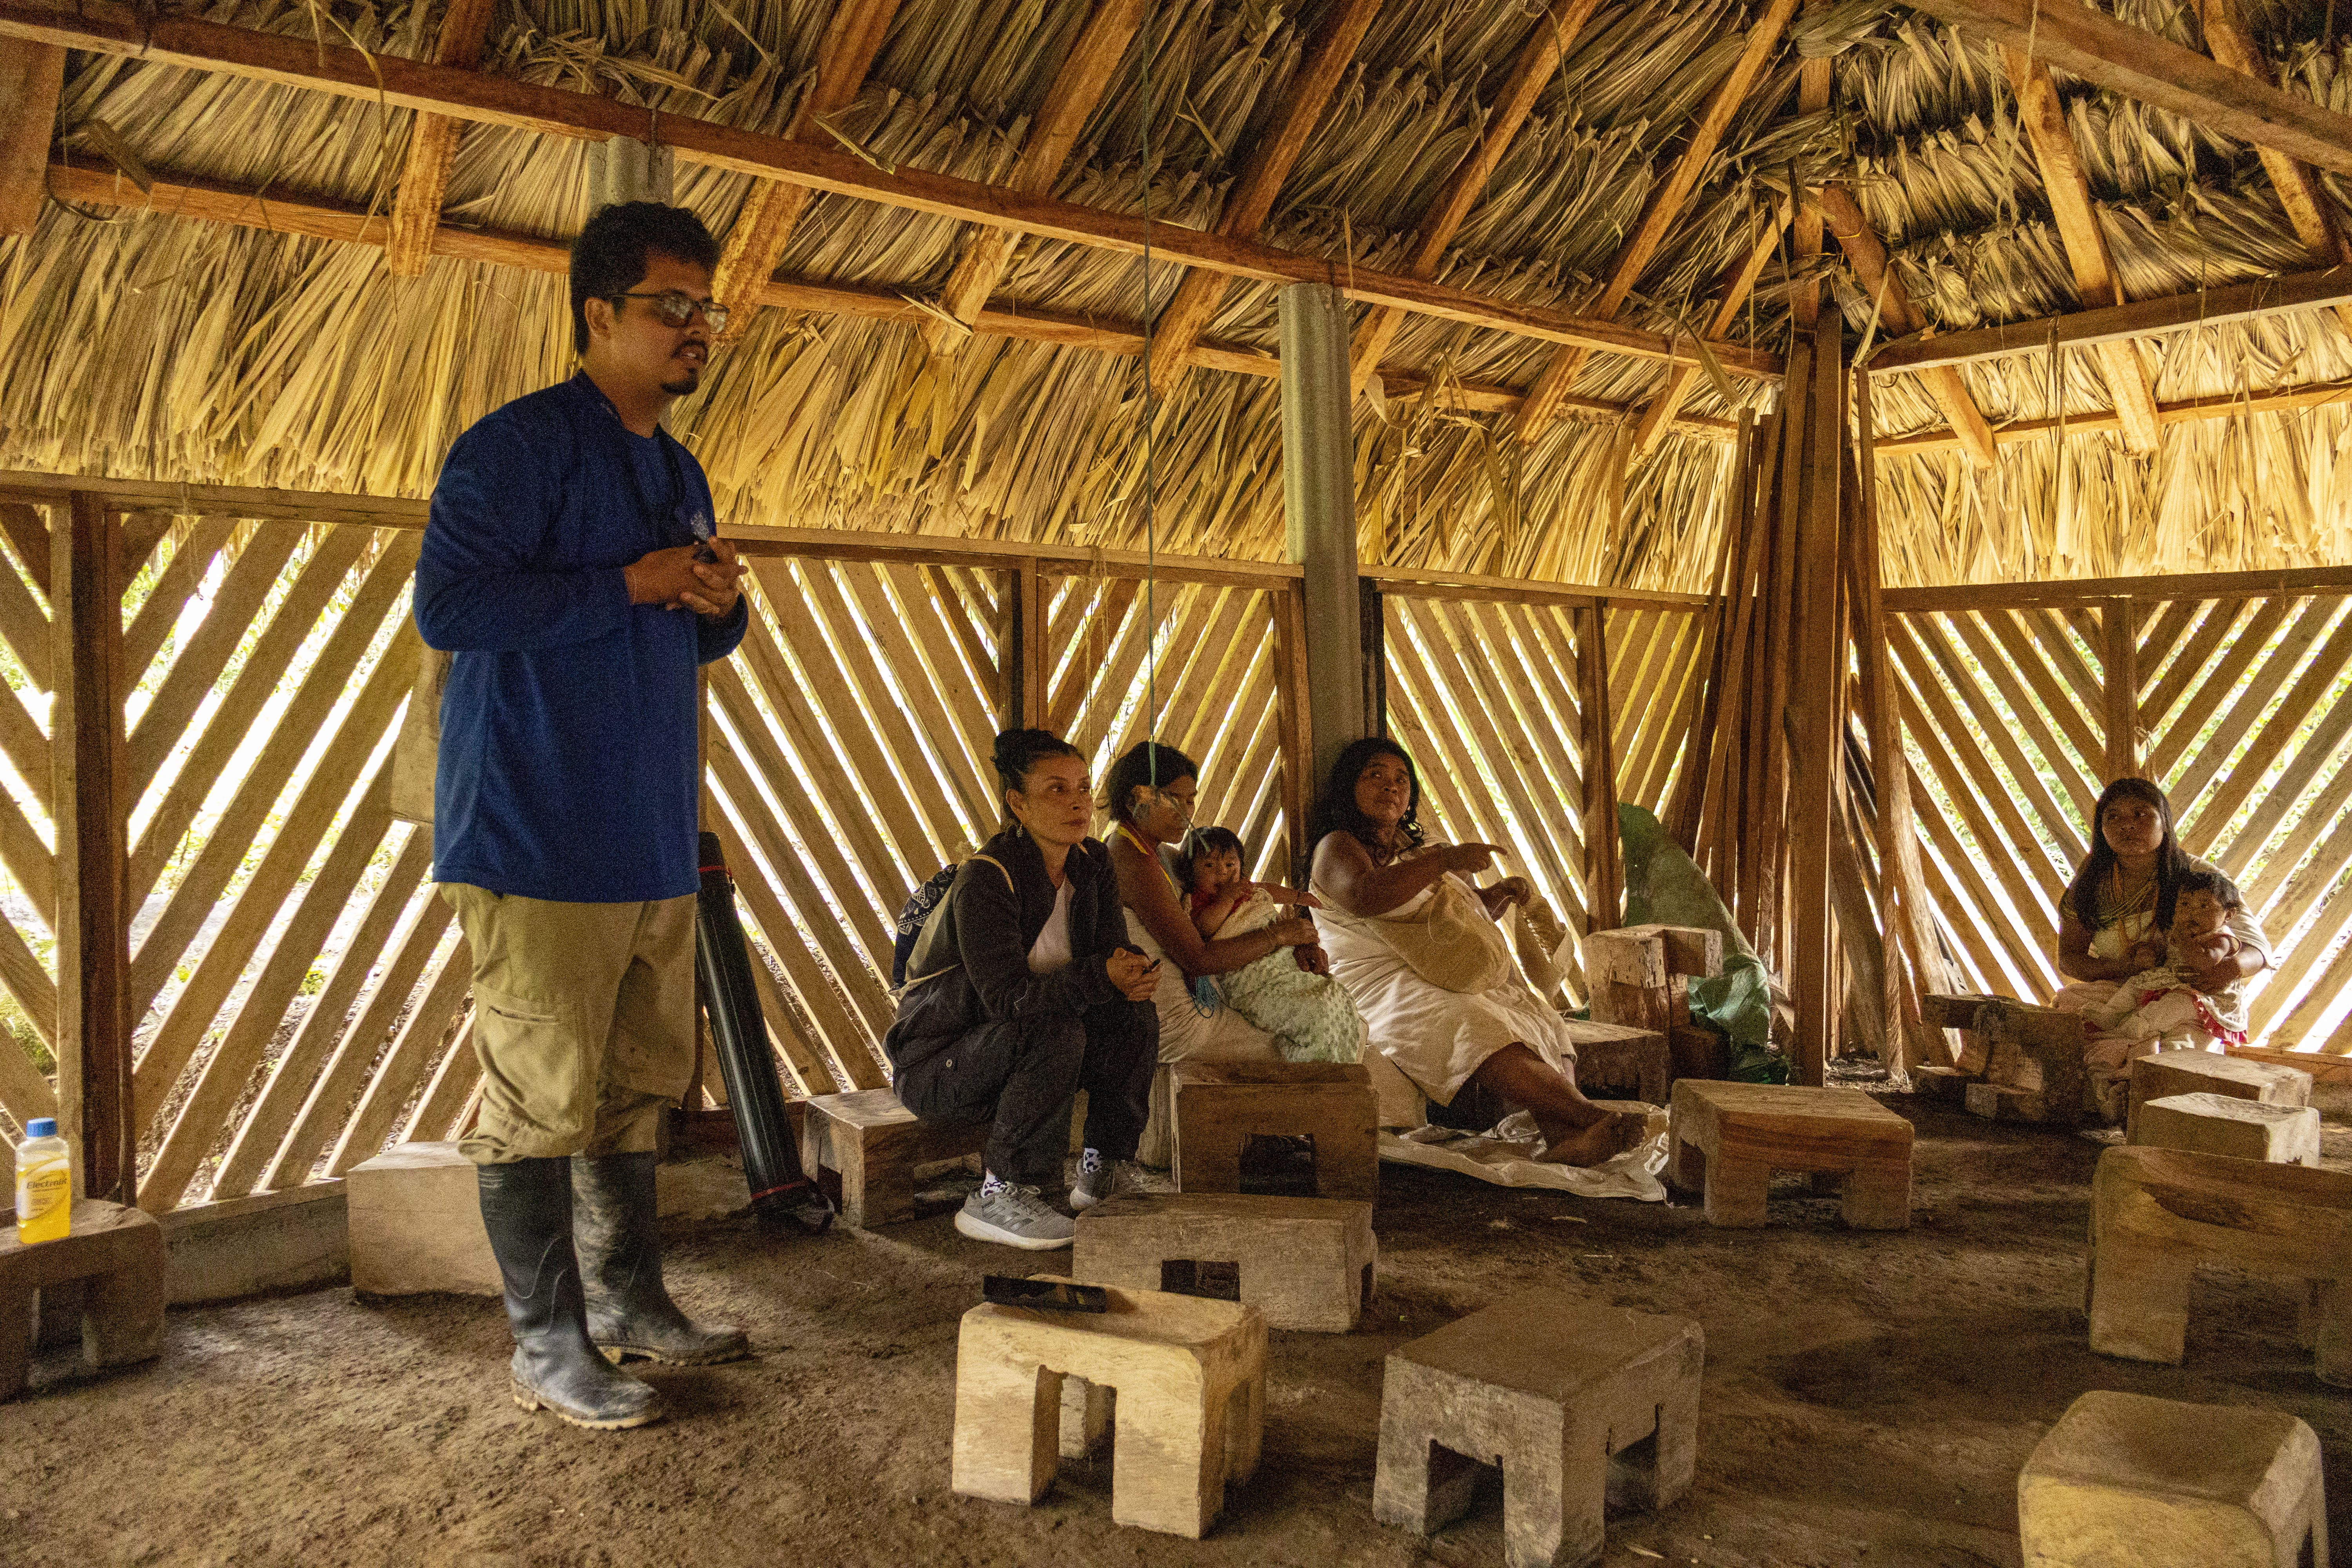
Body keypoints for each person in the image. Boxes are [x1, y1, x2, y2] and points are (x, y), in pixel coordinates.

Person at [416, 202, 751, 1430]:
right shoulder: (511, 450)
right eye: (671, 306)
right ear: (597, 313)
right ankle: (545, 1343)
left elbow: (693, 627)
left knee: (630, 1087)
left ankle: (631, 1303)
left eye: (706, 309)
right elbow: (449, 608)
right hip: (535, 831)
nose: (695, 330)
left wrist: (715, 599)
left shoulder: (675, 466)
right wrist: (631, 582)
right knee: (541, 1098)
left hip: (650, 831)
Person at [1307, 738, 1642, 1167]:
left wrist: (1499, 895)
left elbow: (1460, 916)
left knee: (1532, 1011)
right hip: (1377, 983)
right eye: (1375, 775)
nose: (1390, 787)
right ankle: (1592, 1117)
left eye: (1401, 779)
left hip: (1437, 971)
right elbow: (1365, 894)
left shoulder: (1415, 847)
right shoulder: (1336, 847)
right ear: (1348, 786)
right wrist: (1443, 860)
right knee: (1471, 1018)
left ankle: (1565, 1135)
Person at [884, 729, 1160, 1249]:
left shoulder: (1091, 862)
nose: (1078, 801)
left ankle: (1103, 1173)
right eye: (1056, 789)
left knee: (1133, 1017)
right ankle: (1001, 1191)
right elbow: (1009, 1001)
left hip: (1020, 1053)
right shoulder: (988, 879)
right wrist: (1103, 977)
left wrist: (1132, 973)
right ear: (1018, 803)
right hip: (941, 1066)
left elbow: (1109, 954)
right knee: (1053, 1027)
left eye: (1082, 786)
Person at [1103, 740, 1325, 1163]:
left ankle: (1271, 1135)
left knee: (1309, 1011)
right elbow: (1197, 959)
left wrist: (1295, 938)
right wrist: (1280, 938)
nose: (1189, 812)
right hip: (1175, 1022)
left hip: (1200, 998)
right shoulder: (1131, 861)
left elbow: (1236, 897)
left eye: (1193, 798)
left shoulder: (1162, 855)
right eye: (1177, 800)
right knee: (1309, 1037)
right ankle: (1291, 1136)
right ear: (1138, 798)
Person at [2053, 780, 2271, 1111]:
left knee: (2174, 1050)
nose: (2127, 826)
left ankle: (2128, 1091)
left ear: (2165, 823)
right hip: (2124, 988)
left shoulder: (2197, 876)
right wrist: (2130, 969)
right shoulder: (2092, 884)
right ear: (2101, 830)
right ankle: (2110, 1087)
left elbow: (2257, 947)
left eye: (2142, 815)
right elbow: (2070, 959)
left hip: (2187, 993)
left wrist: (2228, 969)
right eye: (2113, 818)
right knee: (2069, 1011)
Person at [1181, 827, 1365, 1064]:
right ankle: (1309, 1071)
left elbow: (1267, 890)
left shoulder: (1246, 891)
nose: (1222, 873)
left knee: (1338, 995)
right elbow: (1203, 929)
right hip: (1250, 978)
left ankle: (1340, 1068)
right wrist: (1228, 899)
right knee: (1315, 1013)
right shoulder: (1198, 901)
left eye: (1230, 865)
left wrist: (1298, 897)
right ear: (1191, 873)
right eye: (1209, 866)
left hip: (1283, 965)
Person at [2081, 869, 2252, 1047]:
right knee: (2135, 983)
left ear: (2228, 915)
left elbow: (2206, 962)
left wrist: (2185, 941)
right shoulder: (2174, 930)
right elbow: (2160, 948)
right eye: (2185, 904)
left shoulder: (2221, 938)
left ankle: (2138, 1027)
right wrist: (2146, 952)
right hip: (2174, 980)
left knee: (2175, 1003)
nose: (2192, 913)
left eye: (2204, 907)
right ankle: (2110, 1015)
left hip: (2205, 994)